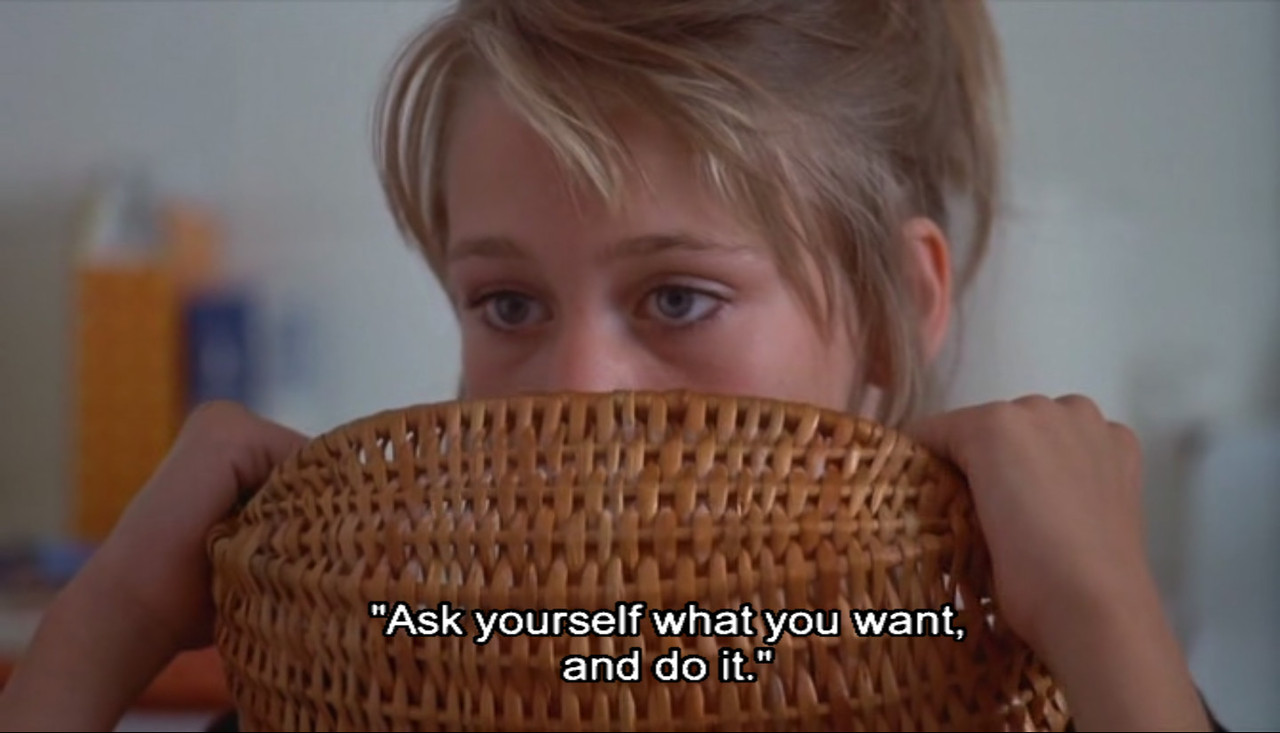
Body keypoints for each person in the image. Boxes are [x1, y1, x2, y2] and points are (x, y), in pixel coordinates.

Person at [0, 1, 1229, 730]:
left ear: (893, 304)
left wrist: (1100, 618)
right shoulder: (387, 677)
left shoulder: (1019, 678)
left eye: (678, 296)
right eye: (507, 302)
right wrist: (108, 621)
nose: (576, 388)